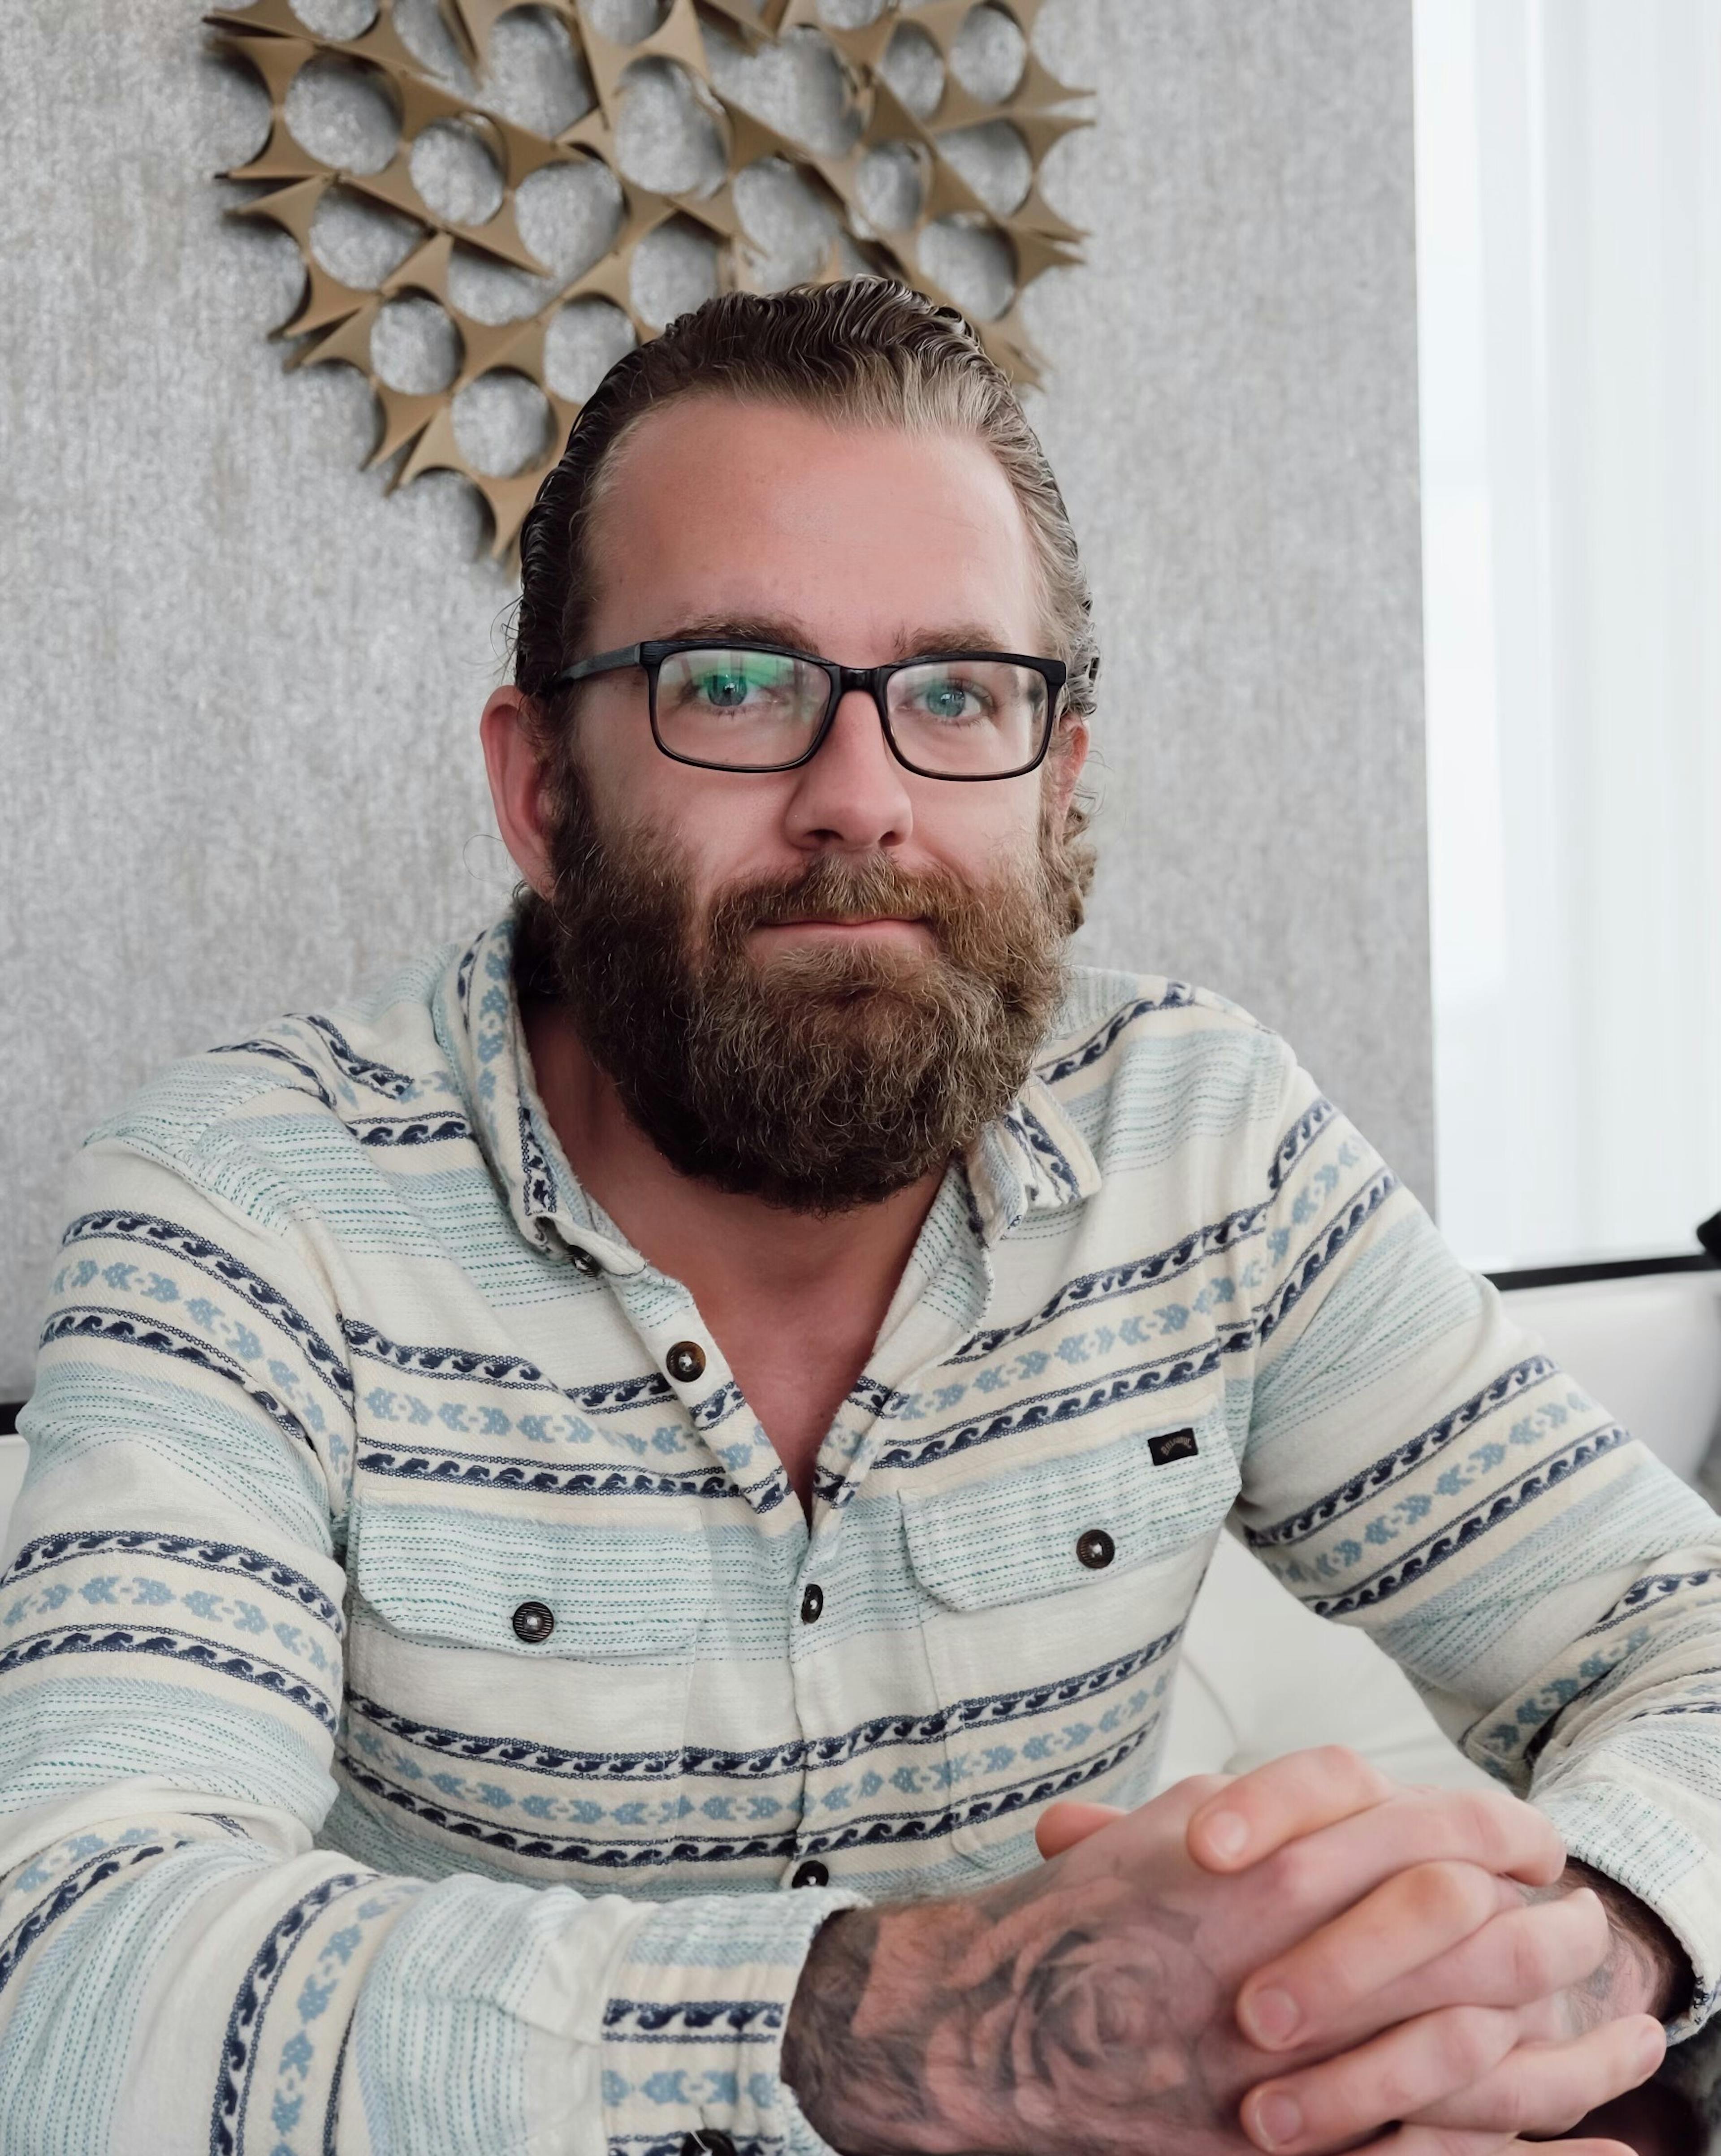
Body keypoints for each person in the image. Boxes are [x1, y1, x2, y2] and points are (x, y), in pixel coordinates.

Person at [4, 279, 1716, 2156]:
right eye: (731, 685)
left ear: (1058, 782)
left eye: (958, 694)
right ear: (539, 788)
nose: (862, 799)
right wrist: (957, 2034)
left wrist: (1563, 1962)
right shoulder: (241, 1208)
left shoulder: (1205, 1145)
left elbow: (1687, 1640)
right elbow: (71, 1981)